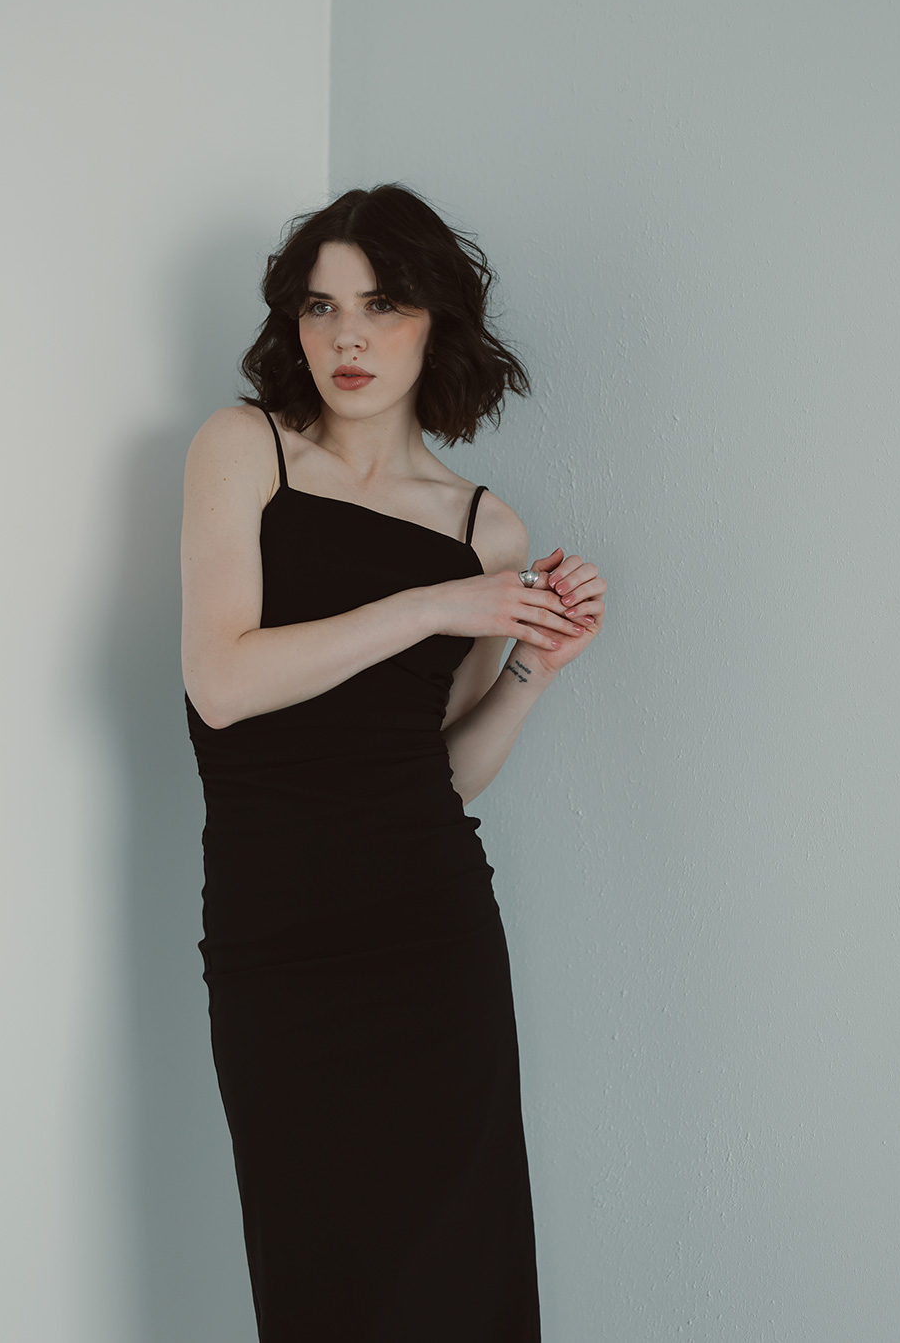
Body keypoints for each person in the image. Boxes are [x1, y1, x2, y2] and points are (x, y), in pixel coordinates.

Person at [180, 181, 607, 1341]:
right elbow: (221, 684)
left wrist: (531, 671)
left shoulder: (486, 533)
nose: (348, 338)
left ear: (436, 322)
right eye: (320, 308)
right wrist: (432, 606)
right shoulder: (243, 448)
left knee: (456, 1285)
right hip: (275, 942)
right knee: (317, 1282)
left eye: (382, 305)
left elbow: (440, 774)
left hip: (430, 939)